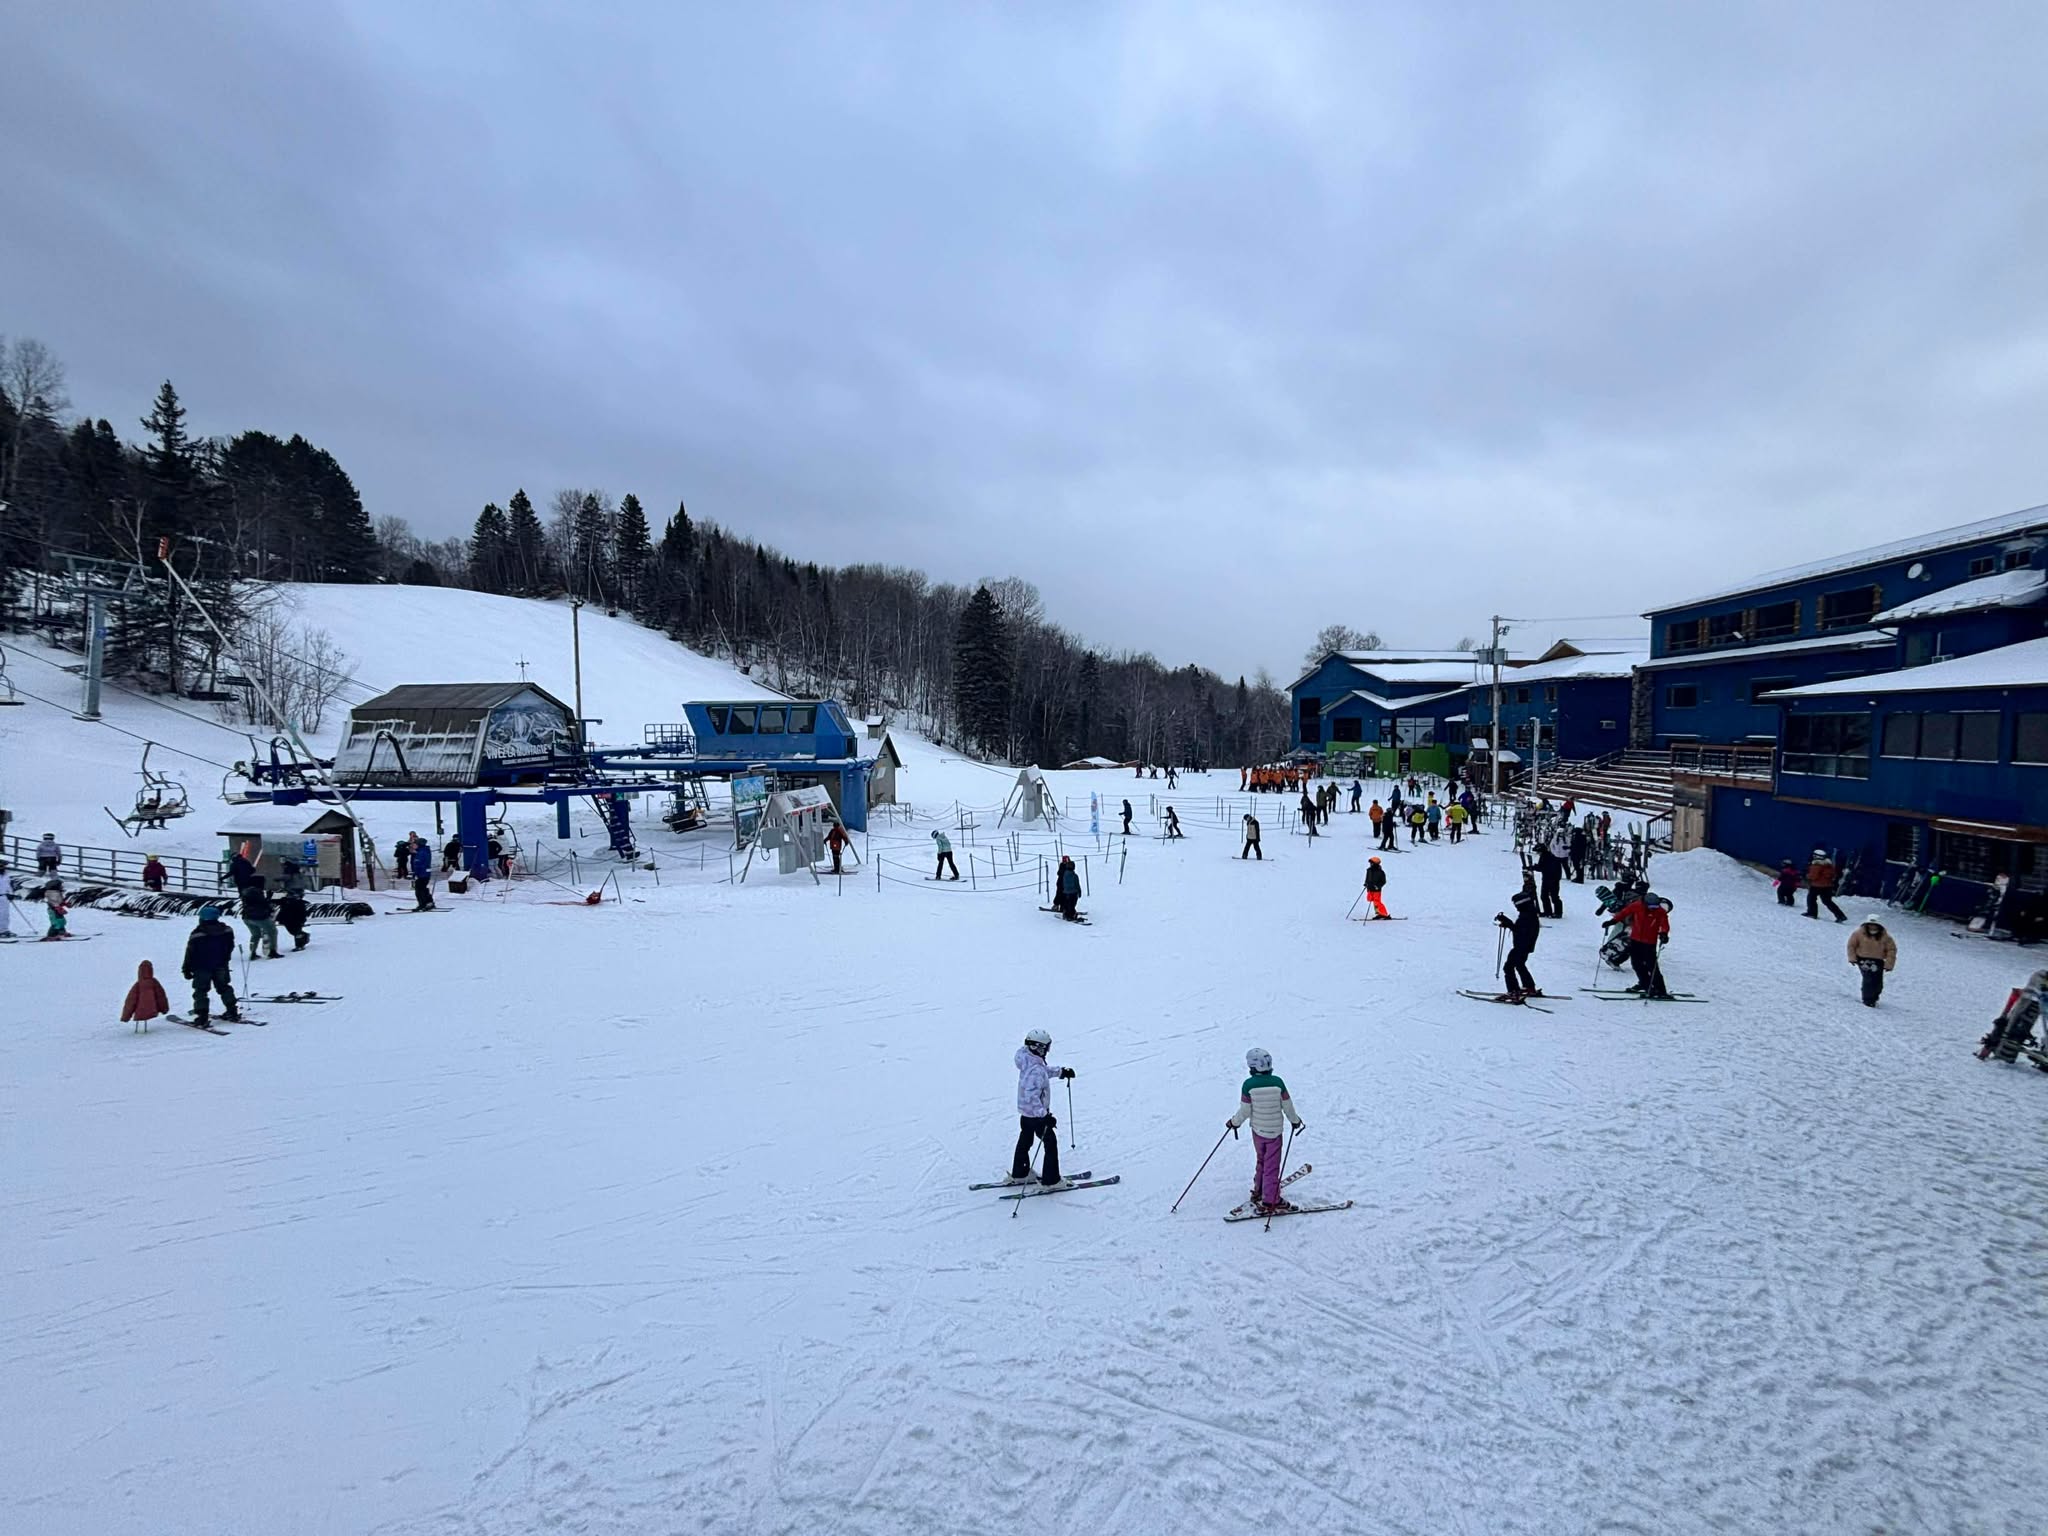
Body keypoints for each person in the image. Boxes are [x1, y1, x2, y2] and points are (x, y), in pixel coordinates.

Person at [1228, 1047, 1305, 1215]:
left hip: (1257, 1131)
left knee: (1261, 1160)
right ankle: (1271, 1200)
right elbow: (1288, 1106)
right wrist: (1295, 1121)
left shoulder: (1248, 1085)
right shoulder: (1278, 1083)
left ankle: (1259, 1190)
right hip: (1274, 1132)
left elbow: (1245, 1111)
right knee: (1272, 1166)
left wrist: (1234, 1123)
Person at [1008, 1027, 1073, 1186]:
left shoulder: (1028, 1060)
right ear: (1038, 1047)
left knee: (1025, 1140)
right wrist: (1044, 1116)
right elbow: (1032, 1096)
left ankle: (1020, 1173)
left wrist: (1060, 1072)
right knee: (1050, 1143)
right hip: (1036, 1116)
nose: (1047, 1050)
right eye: (1046, 1047)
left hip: (1026, 1114)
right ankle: (1051, 1180)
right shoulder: (1035, 1069)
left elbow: (1043, 1072)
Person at [181, 904, 241, 1024]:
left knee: (201, 991)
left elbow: (190, 953)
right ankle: (232, 1010)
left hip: (201, 967)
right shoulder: (227, 930)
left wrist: (186, 968)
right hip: (221, 965)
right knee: (224, 987)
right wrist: (225, 959)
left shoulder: (197, 934)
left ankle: (202, 1016)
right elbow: (230, 946)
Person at [1608, 889, 1672, 998]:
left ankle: (1660, 990)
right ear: (1645, 904)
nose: (1654, 909)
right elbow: (1624, 912)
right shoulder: (1637, 906)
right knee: (1636, 964)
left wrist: (1663, 934)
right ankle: (1645, 984)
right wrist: (1612, 921)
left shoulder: (1659, 911)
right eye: (1651, 907)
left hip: (1649, 942)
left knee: (1651, 966)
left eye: (1655, 907)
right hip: (1636, 940)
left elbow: (1664, 924)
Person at [1978, 970, 2048, 1061]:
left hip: (2030, 1005)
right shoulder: (2040, 977)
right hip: (2026, 1008)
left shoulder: (2039, 977)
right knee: (2011, 1026)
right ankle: (1991, 1049)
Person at [1495, 886, 1542, 1000]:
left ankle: (1513, 991)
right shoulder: (1530, 913)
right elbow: (1520, 929)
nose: (1516, 908)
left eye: (1516, 905)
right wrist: (1508, 924)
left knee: (1508, 967)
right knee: (1520, 965)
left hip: (1521, 946)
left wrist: (1507, 923)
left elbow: (1520, 931)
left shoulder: (1527, 916)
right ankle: (1529, 987)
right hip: (1526, 945)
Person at [1847, 915, 1897, 1007]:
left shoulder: (1885, 937)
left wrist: (1889, 964)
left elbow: (1891, 950)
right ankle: (1868, 999)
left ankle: (1874, 996)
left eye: (1875, 925)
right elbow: (1851, 946)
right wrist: (1852, 958)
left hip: (1878, 960)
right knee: (1868, 979)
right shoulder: (1858, 934)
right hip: (1863, 959)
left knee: (1878, 982)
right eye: (1870, 924)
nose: (1872, 927)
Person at [121, 960, 169, 1030]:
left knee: (140, 1017)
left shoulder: (138, 985)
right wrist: (164, 1009)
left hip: (139, 1012)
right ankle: (144, 1027)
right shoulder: (154, 983)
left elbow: (130, 1001)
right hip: (152, 1010)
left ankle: (138, 1028)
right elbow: (161, 997)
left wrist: (125, 1017)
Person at [241, 876, 280, 958]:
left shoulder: (246, 891)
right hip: (258, 917)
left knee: (255, 935)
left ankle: (252, 953)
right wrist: (269, 898)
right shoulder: (257, 891)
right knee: (272, 932)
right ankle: (272, 951)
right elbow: (262, 904)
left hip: (247, 917)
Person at [1805, 849, 1847, 921]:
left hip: (1816, 885)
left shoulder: (1816, 865)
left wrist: (1807, 875)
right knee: (1827, 901)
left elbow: (1813, 876)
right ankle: (1840, 915)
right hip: (1828, 886)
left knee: (1811, 899)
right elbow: (1834, 875)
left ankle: (1812, 913)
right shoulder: (1829, 865)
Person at [1536, 840, 1565, 919]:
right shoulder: (1547, 856)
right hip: (1549, 878)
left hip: (1551, 879)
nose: (1537, 854)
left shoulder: (1546, 857)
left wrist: (1533, 867)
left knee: (1553, 896)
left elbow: (1541, 867)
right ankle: (1548, 912)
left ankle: (1557, 913)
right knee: (1545, 896)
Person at [277, 886, 311, 951]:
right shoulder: (284, 896)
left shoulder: (299, 899)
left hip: (297, 916)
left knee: (297, 931)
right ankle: (304, 936)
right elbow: (274, 899)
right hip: (285, 916)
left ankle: (299, 945)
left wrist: (302, 919)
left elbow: (302, 911)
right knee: (292, 931)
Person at [1052, 855, 1084, 920]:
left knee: (1066, 900)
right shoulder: (1065, 869)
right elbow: (1059, 873)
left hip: (1065, 888)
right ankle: (1060, 908)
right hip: (1062, 885)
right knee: (1060, 896)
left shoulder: (1068, 871)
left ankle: (1065, 910)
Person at [409, 836, 437, 910]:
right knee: (423, 888)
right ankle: (429, 902)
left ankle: (422, 904)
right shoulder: (423, 851)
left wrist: (416, 874)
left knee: (419, 889)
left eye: (415, 844)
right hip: (424, 874)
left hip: (422, 874)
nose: (413, 846)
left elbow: (419, 864)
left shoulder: (421, 853)